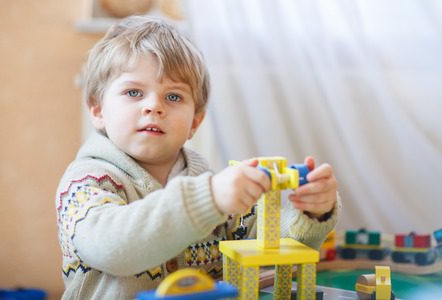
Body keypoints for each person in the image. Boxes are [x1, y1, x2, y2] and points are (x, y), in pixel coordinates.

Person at [55, 15, 341, 299]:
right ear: (97, 110)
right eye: (133, 92)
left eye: (174, 97)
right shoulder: (84, 183)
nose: (154, 106)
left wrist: (311, 213)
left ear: (195, 122)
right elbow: (111, 248)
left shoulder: (214, 188)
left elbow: (273, 250)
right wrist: (207, 199)